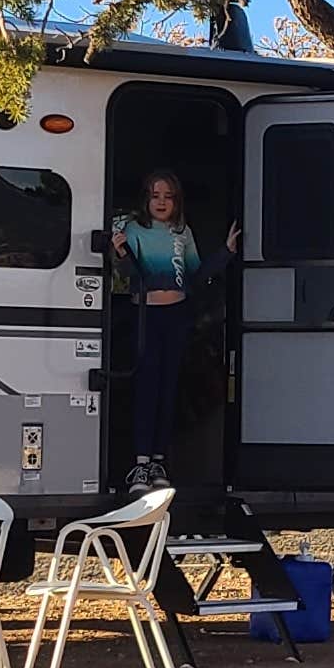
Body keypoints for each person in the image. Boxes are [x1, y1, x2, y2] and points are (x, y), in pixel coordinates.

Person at [115, 169, 236, 490]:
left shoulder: (183, 233)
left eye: (168, 196)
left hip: (177, 315)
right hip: (146, 315)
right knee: (146, 387)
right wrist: (120, 252)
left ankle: (158, 462)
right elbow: (129, 275)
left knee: (169, 389)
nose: (161, 202)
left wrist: (226, 252)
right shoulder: (133, 230)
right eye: (155, 195)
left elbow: (195, 275)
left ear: (177, 201)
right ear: (146, 199)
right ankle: (139, 464)